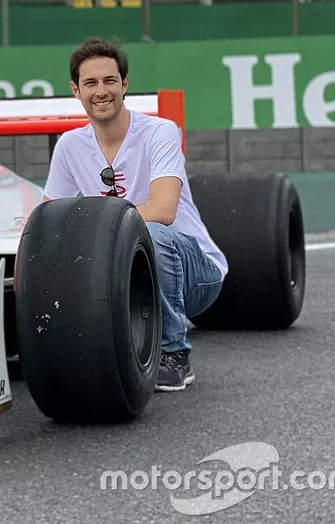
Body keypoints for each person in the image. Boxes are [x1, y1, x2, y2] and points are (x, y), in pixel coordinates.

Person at [40, 37, 228, 392]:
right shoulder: (69, 146)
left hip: (194, 276)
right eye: (91, 83)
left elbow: (163, 210)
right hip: (123, 271)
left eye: (110, 81)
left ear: (125, 85)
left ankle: (175, 355)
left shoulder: (160, 132)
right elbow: (51, 221)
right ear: (76, 90)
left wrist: (95, 229)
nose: (101, 91)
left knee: (148, 231)